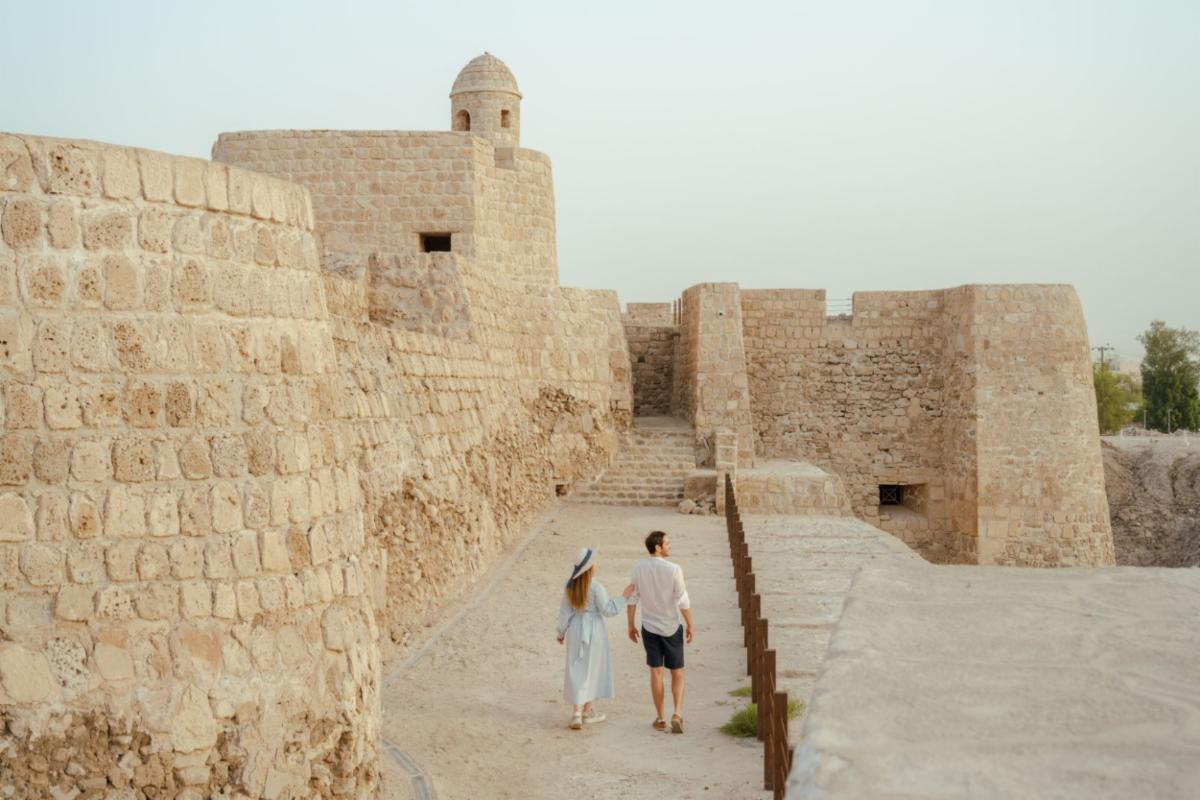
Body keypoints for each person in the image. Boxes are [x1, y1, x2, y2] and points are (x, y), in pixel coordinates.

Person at [556, 547, 636, 730]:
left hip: (575, 629)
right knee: (594, 668)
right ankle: (587, 711)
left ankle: (576, 712)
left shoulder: (570, 586)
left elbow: (564, 612)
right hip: (594, 630)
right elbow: (608, 610)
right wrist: (624, 597)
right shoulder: (596, 587)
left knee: (576, 668)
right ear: (590, 567)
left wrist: (560, 632)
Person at [626, 530, 693, 734]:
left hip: (649, 627)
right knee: (677, 671)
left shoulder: (638, 568)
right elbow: (682, 600)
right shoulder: (674, 569)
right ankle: (677, 713)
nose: (669, 546)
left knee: (656, 672)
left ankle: (661, 718)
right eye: (667, 543)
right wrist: (690, 624)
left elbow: (632, 599)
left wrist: (630, 625)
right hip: (671, 626)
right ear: (658, 547)